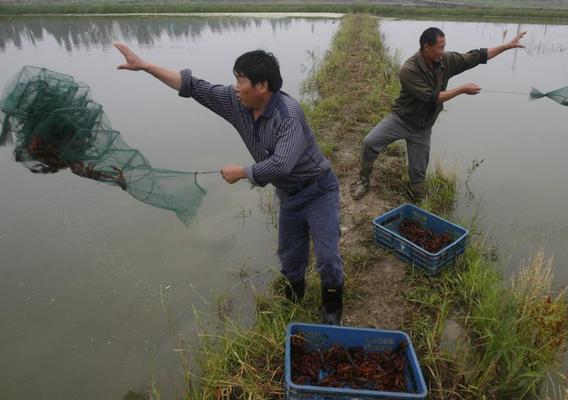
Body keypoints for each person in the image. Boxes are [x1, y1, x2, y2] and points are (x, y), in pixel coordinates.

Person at [114, 43, 344, 325]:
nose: (235, 86)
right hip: (289, 195)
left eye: (240, 80)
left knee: (327, 257)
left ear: (262, 85)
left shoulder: (288, 115)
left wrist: (243, 172)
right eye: (235, 79)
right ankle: (292, 304)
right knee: (290, 256)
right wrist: (145, 66)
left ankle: (332, 313)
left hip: (318, 190)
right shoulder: (238, 103)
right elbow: (193, 86)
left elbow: (282, 164)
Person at [352, 27, 527, 201]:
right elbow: (431, 98)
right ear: (427, 47)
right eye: (440, 47)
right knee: (370, 142)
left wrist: (507, 46)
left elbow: (477, 56)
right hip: (400, 120)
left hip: (423, 127)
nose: (443, 51)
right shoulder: (409, 69)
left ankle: (417, 198)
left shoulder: (445, 60)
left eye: (444, 46)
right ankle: (364, 181)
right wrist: (462, 89)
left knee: (418, 173)